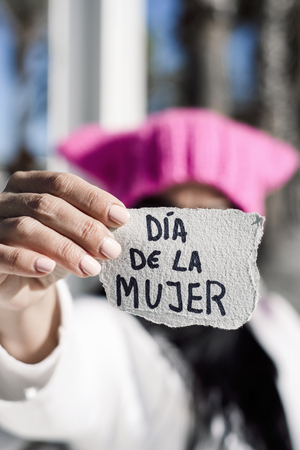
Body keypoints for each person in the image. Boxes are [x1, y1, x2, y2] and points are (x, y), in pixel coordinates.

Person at [0, 108, 299, 450]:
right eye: (161, 211)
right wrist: (23, 309)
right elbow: (62, 378)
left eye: (213, 215)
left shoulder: (276, 323)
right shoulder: (109, 327)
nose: (182, 235)